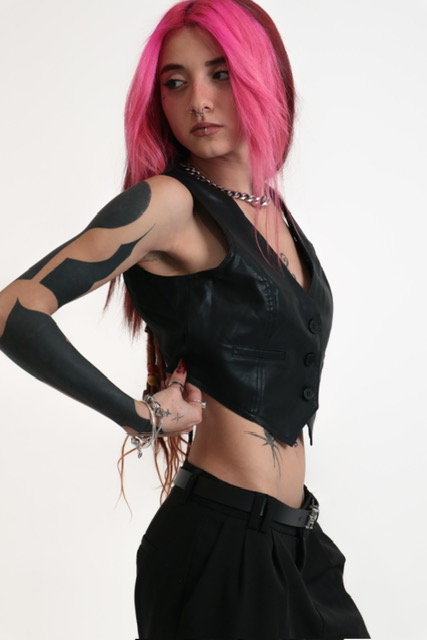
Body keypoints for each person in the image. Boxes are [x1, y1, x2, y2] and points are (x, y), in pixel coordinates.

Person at [0, 0, 370, 638]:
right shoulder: (169, 203)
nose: (198, 100)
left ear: (264, 79)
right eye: (175, 83)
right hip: (221, 547)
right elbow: (15, 309)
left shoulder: (272, 212)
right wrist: (137, 415)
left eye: (220, 74)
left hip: (297, 546)